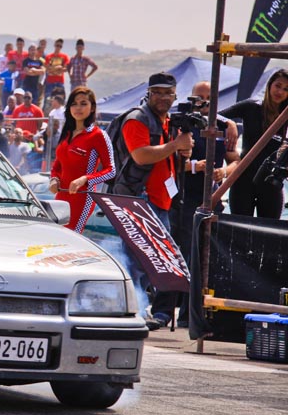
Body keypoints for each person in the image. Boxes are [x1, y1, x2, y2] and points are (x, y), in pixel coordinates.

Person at [152, 80, 241, 327]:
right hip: (182, 198)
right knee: (174, 254)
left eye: (208, 98)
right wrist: (194, 166)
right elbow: (168, 159)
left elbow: (236, 159)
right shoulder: (178, 124)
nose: (203, 103)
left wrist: (226, 171)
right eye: (198, 97)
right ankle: (163, 310)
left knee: (202, 259)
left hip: (210, 198)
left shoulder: (224, 126)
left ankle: (188, 316)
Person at [111, 72, 194, 329]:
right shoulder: (138, 119)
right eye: (157, 92)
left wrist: (183, 151)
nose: (163, 97)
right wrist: (175, 145)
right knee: (136, 259)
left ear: (175, 96)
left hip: (160, 201)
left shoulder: (167, 121)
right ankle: (129, 310)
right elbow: (141, 156)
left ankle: (145, 311)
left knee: (156, 260)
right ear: (149, 93)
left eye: (168, 92)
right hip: (139, 200)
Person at [223, 69, 288, 218]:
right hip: (243, 178)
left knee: (270, 233)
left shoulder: (286, 115)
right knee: (239, 231)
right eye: (278, 85)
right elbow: (215, 116)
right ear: (270, 85)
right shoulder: (252, 107)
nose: (280, 91)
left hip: (271, 181)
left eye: (286, 89)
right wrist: (229, 123)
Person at [49, 87, 115, 233]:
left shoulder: (98, 135)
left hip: (83, 198)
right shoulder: (66, 133)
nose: (78, 108)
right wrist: (54, 179)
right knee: (54, 237)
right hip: (60, 196)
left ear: (92, 108)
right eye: (74, 103)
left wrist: (84, 179)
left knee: (70, 238)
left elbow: (111, 171)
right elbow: (57, 165)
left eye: (83, 103)